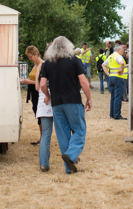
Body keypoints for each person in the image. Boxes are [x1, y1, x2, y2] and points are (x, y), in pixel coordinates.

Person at [39, 36, 92, 174]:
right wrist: (89, 99)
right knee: (79, 130)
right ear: (69, 47)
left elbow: (43, 84)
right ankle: (72, 155)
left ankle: (69, 167)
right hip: (73, 102)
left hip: (56, 104)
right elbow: (83, 82)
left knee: (63, 135)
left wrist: (48, 96)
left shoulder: (47, 64)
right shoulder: (74, 60)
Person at [20, 46, 44, 145]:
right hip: (34, 93)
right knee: (38, 114)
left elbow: (42, 81)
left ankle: (43, 138)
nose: (30, 59)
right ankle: (42, 137)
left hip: (39, 92)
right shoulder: (35, 65)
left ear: (36, 54)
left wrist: (27, 81)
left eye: (31, 57)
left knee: (41, 115)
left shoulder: (42, 65)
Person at [35, 53, 54, 172]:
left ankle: (43, 163)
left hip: (43, 102)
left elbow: (38, 87)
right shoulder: (55, 66)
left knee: (45, 135)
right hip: (55, 100)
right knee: (63, 132)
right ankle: (71, 157)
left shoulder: (40, 67)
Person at [102, 44, 127, 120]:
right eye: (123, 50)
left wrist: (108, 74)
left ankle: (112, 114)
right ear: (118, 49)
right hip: (118, 78)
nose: (123, 51)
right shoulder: (118, 56)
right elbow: (122, 63)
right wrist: (121, 70)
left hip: (111, 77)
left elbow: (103, 65)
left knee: (113, 96)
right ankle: (117, 115)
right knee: (118, 96)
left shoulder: (111, 56)